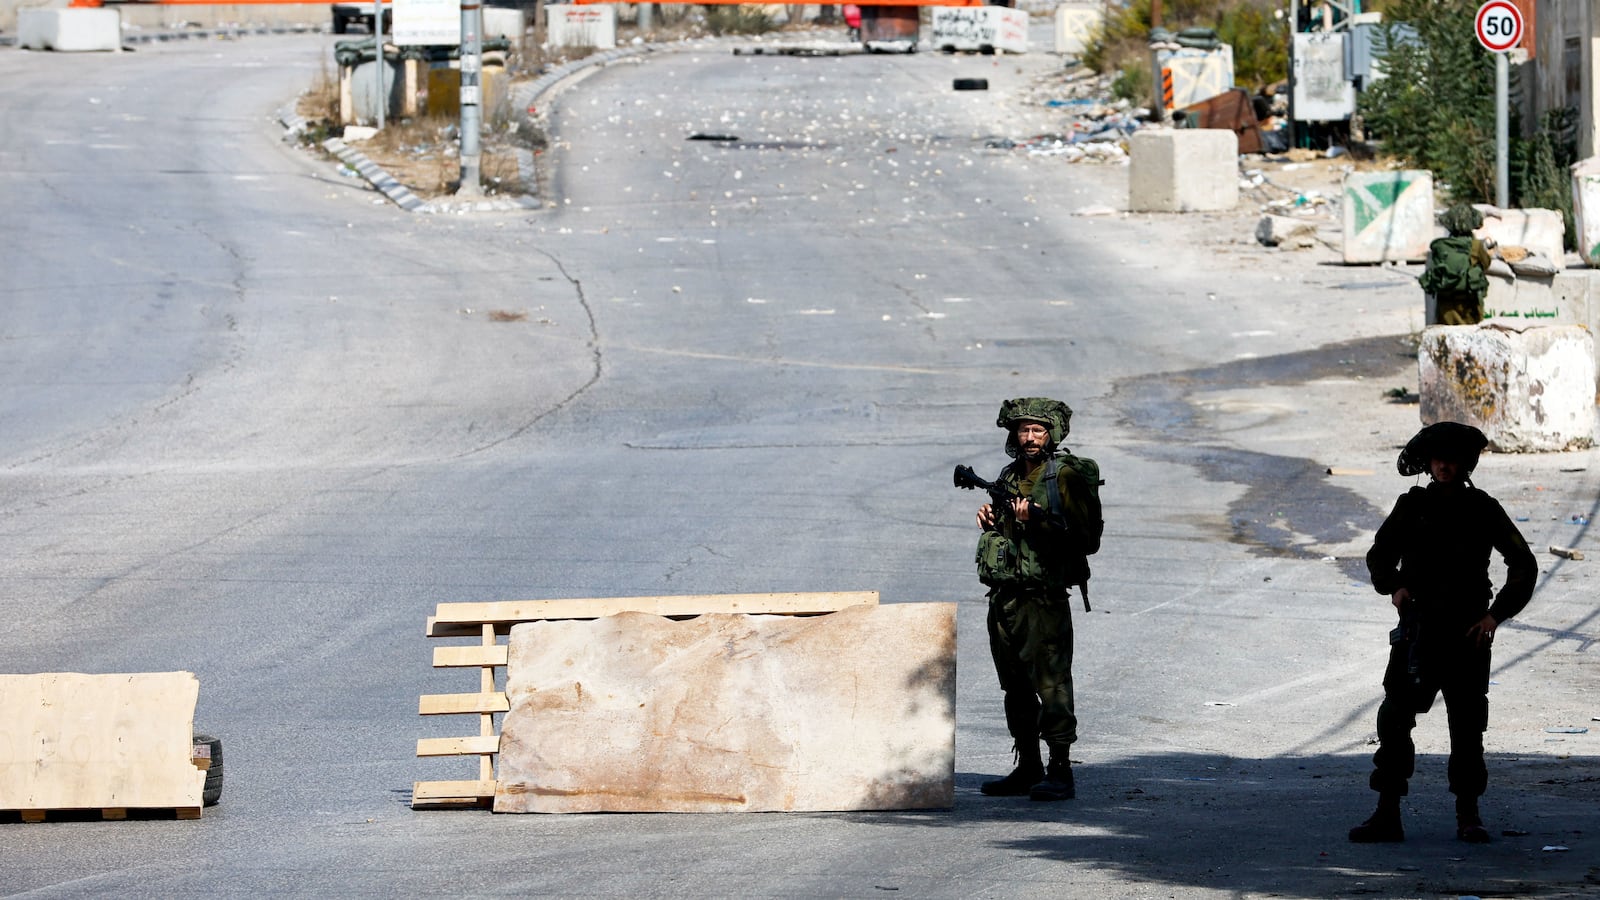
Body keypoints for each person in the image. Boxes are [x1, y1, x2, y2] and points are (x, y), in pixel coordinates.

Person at [1351, 421, 1537, 844]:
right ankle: (1386, 813)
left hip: (1468, 633)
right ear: (1429, 463)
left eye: (1452, 460)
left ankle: (1468, 815)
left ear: (1465, 463)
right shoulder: (1412, 505)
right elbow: (1379, 554)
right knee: (1396, 719)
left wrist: (1495, 616)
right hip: (1419, 631)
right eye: (1438, 459)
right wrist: (1394, 586)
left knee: (1468, 726)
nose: (1444, 467)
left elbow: (1523, 564)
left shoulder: (1484, 509)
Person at [972, 398, 1102, 802]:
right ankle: (1029, 765)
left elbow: (1087, 540)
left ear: (1053, 434)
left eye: (1038, 431)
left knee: (1052, 684)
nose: (1029, 438)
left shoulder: (1062, 477)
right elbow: (1007, 535)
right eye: (1023, 430)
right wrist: (993, 519)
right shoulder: (1010, 476)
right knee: (1015, 687)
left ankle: (1060, 769)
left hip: (1043, 600)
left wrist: (1037, 523)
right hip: (1005, 597)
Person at [1420, 205, 1492, 326]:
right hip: (1469, 303)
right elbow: (1486, 264)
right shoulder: (1476, 246)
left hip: (1446, 303)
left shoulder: (1440, 246)